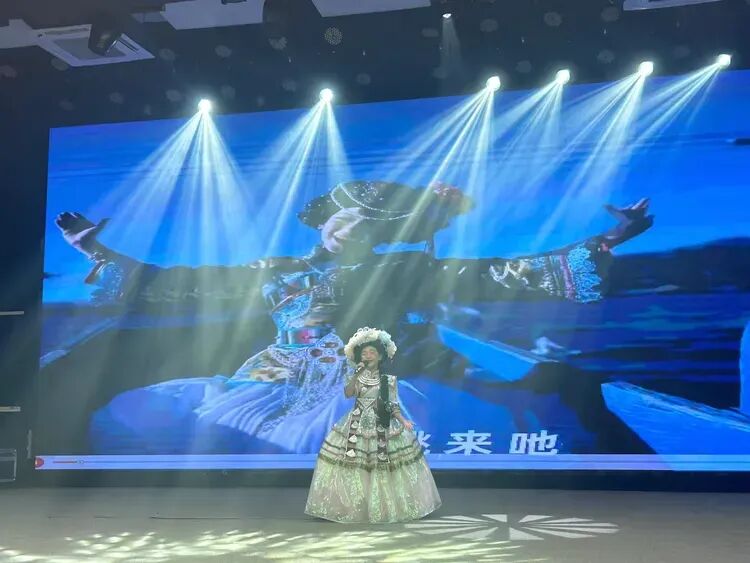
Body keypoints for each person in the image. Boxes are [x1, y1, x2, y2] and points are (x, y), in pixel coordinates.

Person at [54, 180, 654, 454]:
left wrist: (607, 240)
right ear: (323, 225)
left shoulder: (403, 268)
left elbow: (499, 272)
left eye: (362, 226)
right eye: (339, 222)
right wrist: (96, 251)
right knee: (147, 413)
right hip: (272, 375)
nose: (347, 232)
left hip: (367, 378)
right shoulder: (277, 269)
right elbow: (182, 283)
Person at [304, 327, 441, 523]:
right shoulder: (356, 376)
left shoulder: (388, 380)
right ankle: (353, 506)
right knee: (353, 463)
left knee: (384, 463)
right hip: (356, 423)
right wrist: (356, 374)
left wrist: (403, 420)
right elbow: (348, 394)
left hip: (382, 423)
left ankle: (383, 507)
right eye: (364, 353)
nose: (367, 355)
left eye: (372, 352)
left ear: (380, 356)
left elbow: (392, 404)